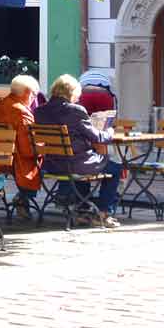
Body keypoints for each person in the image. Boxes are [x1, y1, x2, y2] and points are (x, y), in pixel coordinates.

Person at [33, 74, 121, 228]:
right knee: (115, 168)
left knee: (83, 163)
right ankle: (104, 213)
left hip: (52, 164)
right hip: (75, 164)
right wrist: (110, 131)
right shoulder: (76, 110)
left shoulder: (40, 111)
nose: (79, 98)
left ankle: (82, 211)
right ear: (72, 93)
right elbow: (98, 137)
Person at [0, 75, 41, 211]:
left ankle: (23, 199)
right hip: (15, 162)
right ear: (27, 93)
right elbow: (28, 150)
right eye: (34, 95)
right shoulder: (21, 112)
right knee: (46, 161)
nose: (34, 99)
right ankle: (23, 198)